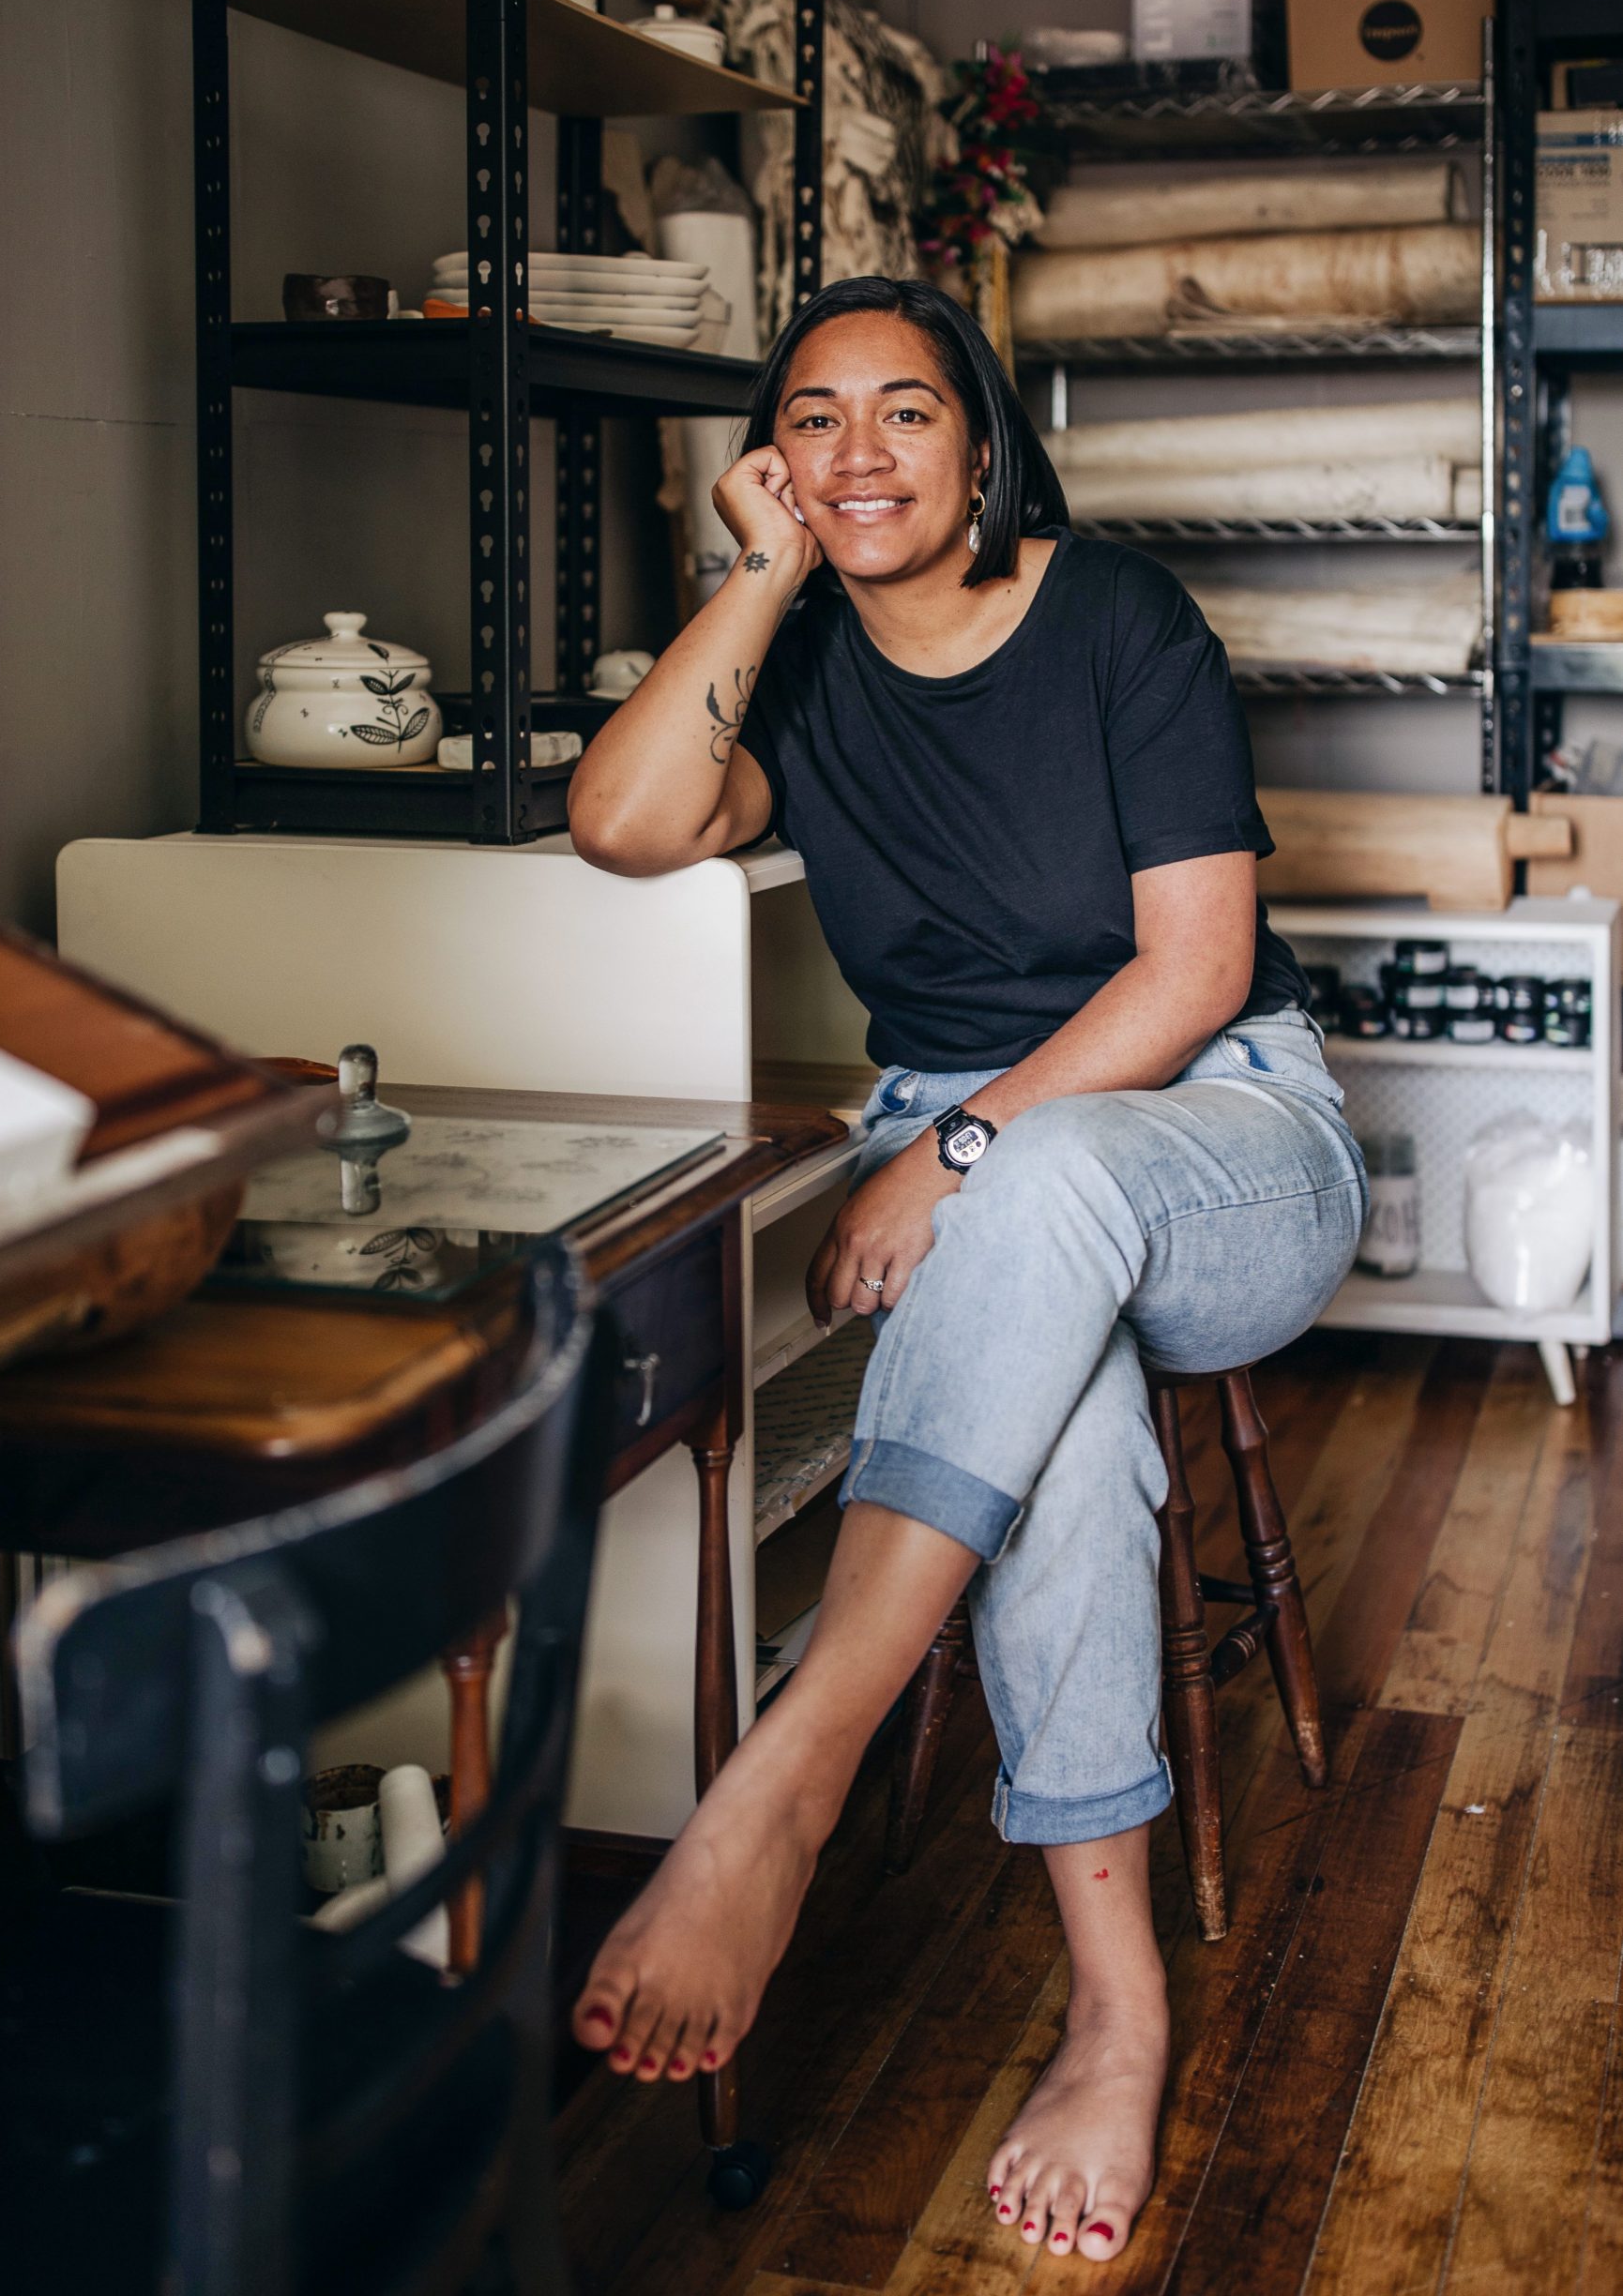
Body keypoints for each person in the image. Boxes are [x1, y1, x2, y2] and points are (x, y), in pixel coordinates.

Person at [564, 276, 1364, 2262]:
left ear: (980, 440)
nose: (853, 451)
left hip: (1219, 1135)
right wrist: (755, 581)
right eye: (807, 420)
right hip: (991, 1179)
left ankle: (784, 1775)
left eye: (902, 413)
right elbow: (619, 820)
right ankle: (1115, 2005)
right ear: (771, 463)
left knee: (1044, 1197)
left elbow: (1183, 973)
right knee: (1064, 1444)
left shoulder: (1117, 619)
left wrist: (951, 1144)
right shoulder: (805, 664)